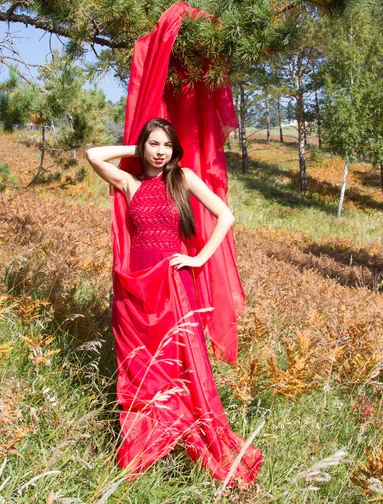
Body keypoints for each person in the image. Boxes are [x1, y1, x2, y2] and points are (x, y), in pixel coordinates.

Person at [86, 117, 262, 484]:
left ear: (174, 149)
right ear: (143, 147)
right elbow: (93, 154)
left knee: (182, 364)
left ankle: (188, 438)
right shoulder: (129, 183)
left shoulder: (183, 179)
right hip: (136, 291)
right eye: (153, 144)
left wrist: (198, 259)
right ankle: (147, 446)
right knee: (142, 368)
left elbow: (225, 216)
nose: (160, 151)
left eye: (166, 145)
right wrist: (133, 149)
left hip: (173, 285)